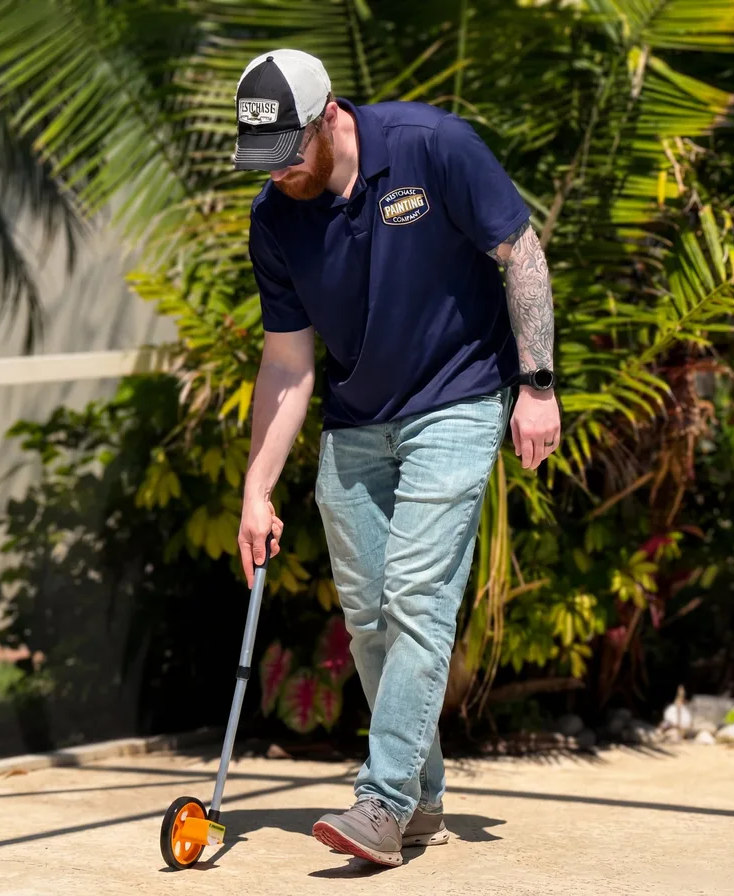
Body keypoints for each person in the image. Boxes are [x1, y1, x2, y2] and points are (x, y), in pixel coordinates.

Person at [232, 48, 561, 867]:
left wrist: (539, 384)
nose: (279, 176)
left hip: (458, 397)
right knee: (371, 620)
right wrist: (256, 488)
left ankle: (379, 803)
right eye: (262, 162)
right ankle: (421, 801)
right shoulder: (274, 220)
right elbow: (286, 363)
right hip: (354, 420)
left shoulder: (430, 146)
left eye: (290, 155)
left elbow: (520, 253)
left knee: (418, 596)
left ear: (329, 115)